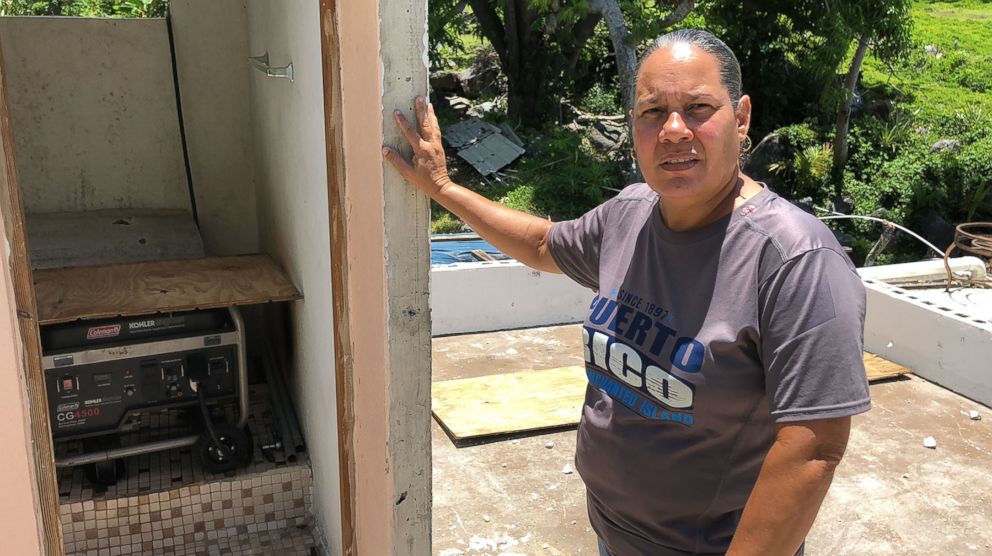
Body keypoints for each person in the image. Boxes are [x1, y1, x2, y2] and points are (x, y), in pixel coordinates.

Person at [383, 28, 870, 556]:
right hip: (613, 536)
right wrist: (444, 190)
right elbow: (545, 244)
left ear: (743, 116)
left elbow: (813, 446)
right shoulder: (630, 213)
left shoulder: (794, 259)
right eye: (653, 111)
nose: (674, 130)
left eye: (699, 107)